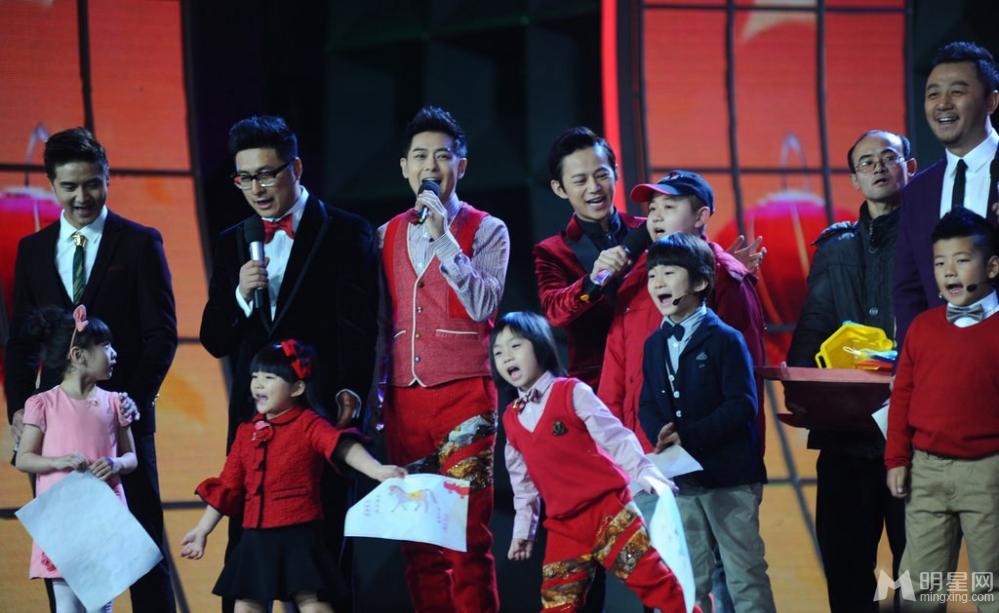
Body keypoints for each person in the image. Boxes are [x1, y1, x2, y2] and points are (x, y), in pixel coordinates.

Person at [200, 115, 379, 611]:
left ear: (295, 168)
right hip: (255, 424)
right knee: (247, 560)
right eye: (245, 178)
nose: (256, 189)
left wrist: (349, 392)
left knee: (320, 568)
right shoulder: (233, 239)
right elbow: (213, 338)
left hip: (317, 417)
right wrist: (241, 294)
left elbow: (358, 326)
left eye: (266, 174)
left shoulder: (345, 230)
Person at [5, 127, 177, 612]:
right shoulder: (33, 250)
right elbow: (21, 342)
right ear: (52, 185)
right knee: (64, 553)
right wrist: (19, 408)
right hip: (53, 425)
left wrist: (128, 403)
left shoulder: (140, 242)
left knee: (142, 548)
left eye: (92, 184)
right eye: (69, 186)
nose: (82, 197)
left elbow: (161, 335)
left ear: (107, 178)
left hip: (119, 422)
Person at [375, 105, 508, 612]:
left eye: (443, 156)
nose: (430, 166)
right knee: (419, 543)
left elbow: (483, 304)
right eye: (420, 156)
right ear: (404, 168)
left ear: (462, 166)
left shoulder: (488, 229)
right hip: (403, 403)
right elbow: (380, 322)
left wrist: (442, 237)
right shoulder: (384, 234)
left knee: (467, 539)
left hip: (465, 398)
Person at [491, 311, 696, 613]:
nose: (507, 356)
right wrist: (523, 531)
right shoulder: (511, 419)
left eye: (515, 346)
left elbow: (616, 438)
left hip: (608, 511)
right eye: (498, 352)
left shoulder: (572, 392)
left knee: (658, 586)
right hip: (563, 527)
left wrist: (645, 472)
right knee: (558, 606)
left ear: (541, 346)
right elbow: (523, 487)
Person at [180, 340, 405, 613]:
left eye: (269, 378)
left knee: (312, 604)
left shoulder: (309, 423)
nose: (258, 384)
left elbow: (341, 446)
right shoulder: (246, 432)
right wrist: (202, 530)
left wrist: (377, 469)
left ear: (297, 388)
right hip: (255, 537)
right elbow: (227, 487)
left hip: (298, 534)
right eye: (255, 377)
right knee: (247, 605)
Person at [788, 130, 914, 613]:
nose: (878, 166)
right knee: (846, 571)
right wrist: (800, 391)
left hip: (915, 437)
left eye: (888, 157)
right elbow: (813, 324)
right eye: (866, 162)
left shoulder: (934, 239)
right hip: (845, 437)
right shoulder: (834, 247)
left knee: (919, 572)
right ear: (855, 180)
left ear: (910, 167)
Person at [639, 233, 775, 613]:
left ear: (700, 282)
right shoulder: (653, 344)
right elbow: (647, 402)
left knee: (744, 574)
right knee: (686, 579)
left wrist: (688, 436)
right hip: (682, 481)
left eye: (669, 273)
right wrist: (659, 432)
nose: (658, 282)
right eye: (652, 275)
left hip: (730, 477)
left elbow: (742, 405)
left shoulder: (726, 339)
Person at [599, 170, 766, 452]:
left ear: (700, 216)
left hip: (708, 453)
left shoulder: (726, 278)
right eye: (652, 208)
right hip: (642, 450)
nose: (655, 217)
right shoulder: (637, 278)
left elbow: (745, 379)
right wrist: (611, 444)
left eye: (669, 207)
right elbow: (616, 369)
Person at [885, 208, 999, 611]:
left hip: (988, 472)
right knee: (919, 589)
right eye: (939, 263)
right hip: (926, 472)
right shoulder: (923, 326)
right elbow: (902, 395)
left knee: (991, 585)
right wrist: (896, 459)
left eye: (961, 260)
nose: (949, 271)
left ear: (992, 266)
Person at [15, 305, 139, 613]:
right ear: (78, 355)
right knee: (67, 606)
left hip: (103, 514)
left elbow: (131, 457)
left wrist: (116, 464)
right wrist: (58, 461)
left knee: (100, 605)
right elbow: (24, 459)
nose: (114, 353)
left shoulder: (115, 402)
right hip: (63, 515)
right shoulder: (43, 403)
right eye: (105, 346)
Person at [894, 41, 999, 348]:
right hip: (941, 362)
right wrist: (911, 363)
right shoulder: (917, 192)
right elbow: (909, 289)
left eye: (956, 92)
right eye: (933, 94)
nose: (942, 103)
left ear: (991, 101)